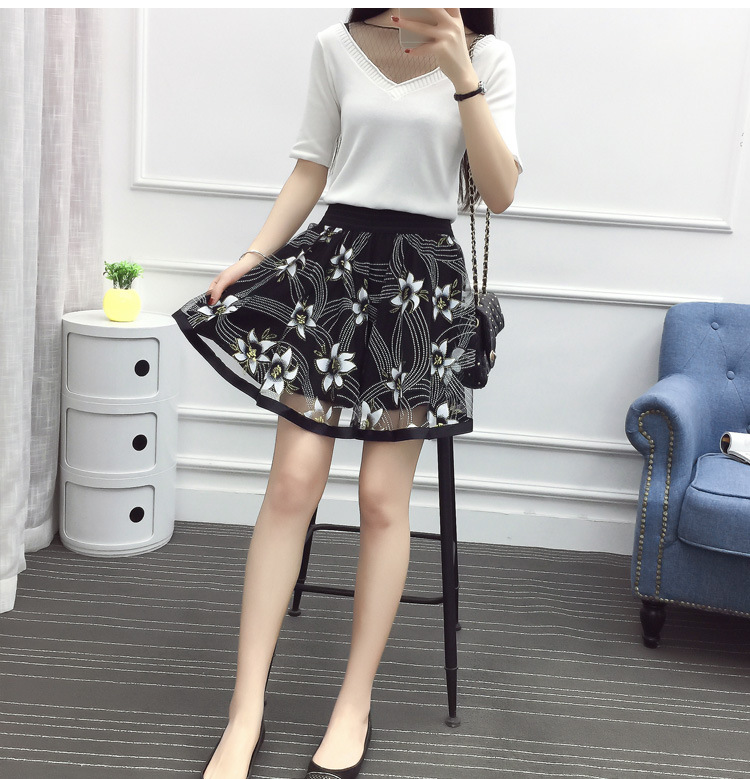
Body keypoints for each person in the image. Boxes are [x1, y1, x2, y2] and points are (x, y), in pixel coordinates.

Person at [171, 7, 523, 779]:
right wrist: (252, 254)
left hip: (421, 284)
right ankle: (245, 709)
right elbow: (311, 166)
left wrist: (461, 74)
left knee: (380, 500)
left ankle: (353, 702)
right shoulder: (336, 47)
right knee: (291, 482)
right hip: (333, 271)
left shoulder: (487, 57)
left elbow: (498, 192)